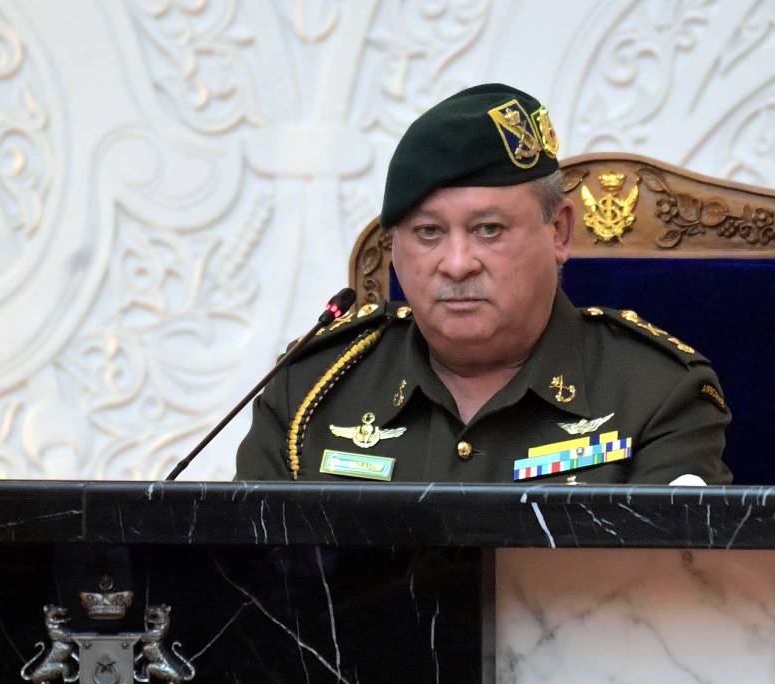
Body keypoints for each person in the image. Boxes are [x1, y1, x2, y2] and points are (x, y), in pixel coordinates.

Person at [235, 83, 731, 484]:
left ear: (559, 231)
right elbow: (246, 589)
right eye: (428, 233)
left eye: (487, 230)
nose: (456, 264)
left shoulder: (657, 395)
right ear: (395, 250)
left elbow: (670, 596)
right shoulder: (310, 392)